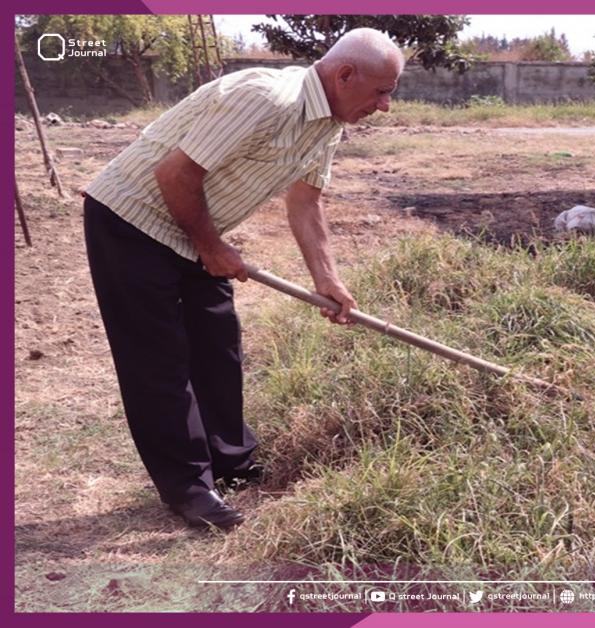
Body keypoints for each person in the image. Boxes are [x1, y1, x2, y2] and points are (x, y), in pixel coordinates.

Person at [82, 28, 405, 529]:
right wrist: (212, 247)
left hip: (190, 224)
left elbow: (306, 201)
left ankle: (232, 462)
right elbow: (174, 174)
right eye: (382, 91)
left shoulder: (327, 123)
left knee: (218, 348)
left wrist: (328, 281)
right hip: (132, 219)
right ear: (344, 75)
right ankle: (188, 488)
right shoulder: (267, 98)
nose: (385, 105)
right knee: (159, 360)